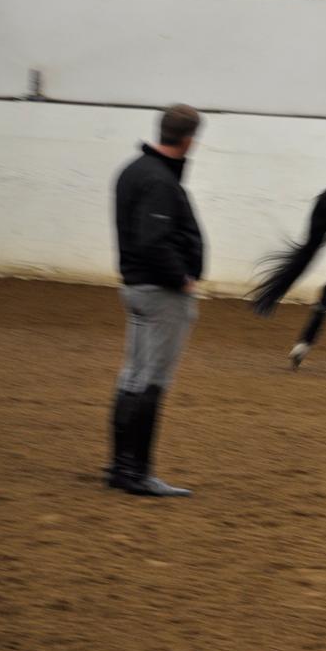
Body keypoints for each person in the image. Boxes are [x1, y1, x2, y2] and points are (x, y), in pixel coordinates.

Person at [106, 104, 204, 497]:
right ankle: (138, 472)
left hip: (136, 288)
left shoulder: (132, 170)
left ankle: (120, 467)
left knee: (132, 376)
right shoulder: (159, 181)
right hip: (159, 293)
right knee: (153, 381)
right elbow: (153, 241)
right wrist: (182, 280)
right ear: (189, 140)